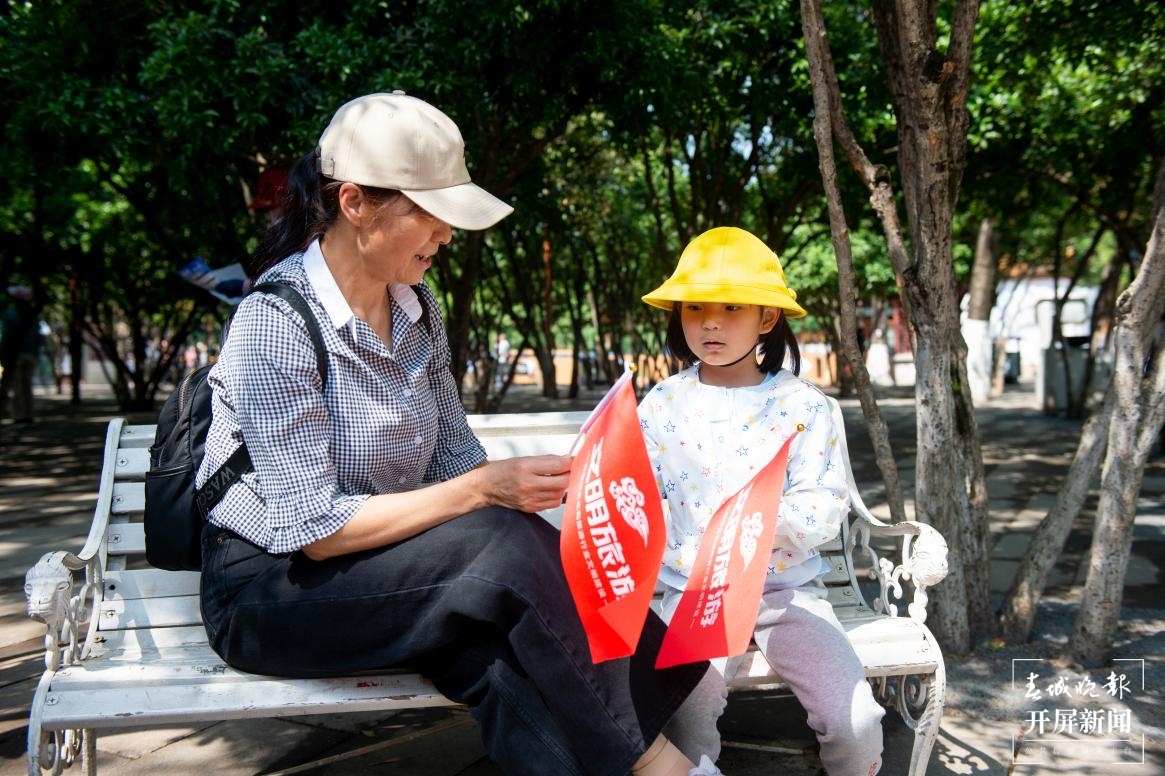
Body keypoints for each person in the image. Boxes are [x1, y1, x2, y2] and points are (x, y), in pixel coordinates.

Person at [197, 91, 715, 776]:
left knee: (508, 665)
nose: (447, 234)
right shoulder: (274, 320)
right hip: (273, 593)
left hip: (393, 573)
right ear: (354, 203)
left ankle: (641, 755)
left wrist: (539, 484)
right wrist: (481, 491)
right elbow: (315, 528)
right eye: (429, 212)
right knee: (498, 543)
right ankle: (658, 761)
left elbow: (454, 457)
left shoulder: (416, 309)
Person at [638, 227, 885, 775]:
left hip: (786, 591)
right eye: (695, 306)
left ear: (767, 319)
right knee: (684, 716)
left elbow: (824, 503)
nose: (710, 322)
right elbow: (639, 495)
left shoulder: (801, 405)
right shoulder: (661, 404)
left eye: (732, 307)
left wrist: (760, 518)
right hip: (691, 594)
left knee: (858, 722)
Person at [0, 285, 42, 424]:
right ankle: (28, 413)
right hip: (30, 354)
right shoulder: (33, 316)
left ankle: (19, 415)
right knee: (28, 385)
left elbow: (6, 337)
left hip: (16, 355)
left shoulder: (10, 314)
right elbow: (38, 338)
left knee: (18, 386)